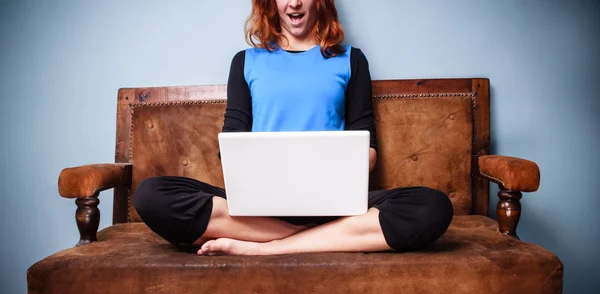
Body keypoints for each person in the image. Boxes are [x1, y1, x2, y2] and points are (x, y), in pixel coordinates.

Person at [134, 0, 453, 256]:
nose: (295, 3)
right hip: (258, 210)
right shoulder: (245, 61)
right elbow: (232, 140)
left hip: (335, 207)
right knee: (151, 196)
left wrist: (339, 166)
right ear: (270, 3)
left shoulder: (351, 60)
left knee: (433, 208)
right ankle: (311, 238)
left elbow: (368, 148)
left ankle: (267, 248)